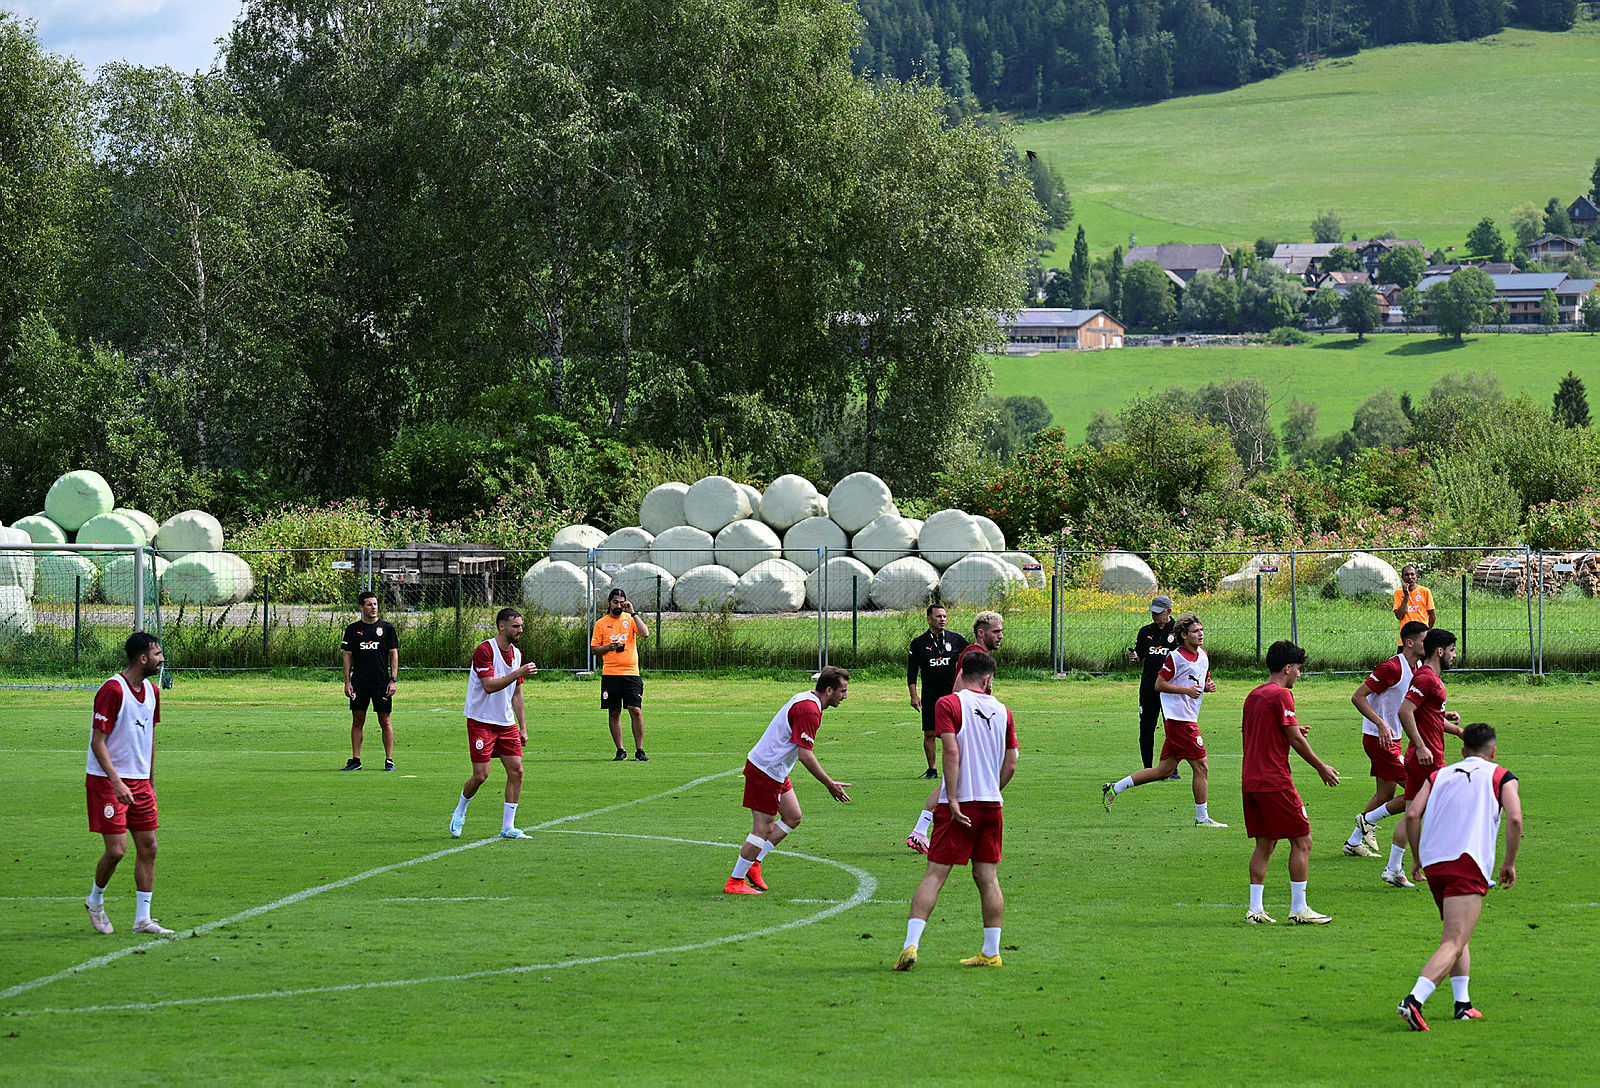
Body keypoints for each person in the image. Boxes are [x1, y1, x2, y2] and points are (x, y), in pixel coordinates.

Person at [894, 650, 1018, 970]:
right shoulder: (1004, 710)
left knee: (934, 876)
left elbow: (950, 750)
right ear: (988, 679)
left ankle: (911, 945)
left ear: (961, 672)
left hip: (959, 806)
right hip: (992, 806)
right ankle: (991, 952)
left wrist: (951, 799)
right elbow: (1012, 762)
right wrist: (993, 789)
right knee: (988, 878)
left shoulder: (948, 704)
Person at [1396, 722, 1522, 1030]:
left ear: (1462, 750)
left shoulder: (1438, 775)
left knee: (1457, 934)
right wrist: (1509, 863)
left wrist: (1416, 857)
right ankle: (1414, 1000)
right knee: (1454, 939)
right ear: (1493, 751)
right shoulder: (1501, 776)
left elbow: (1412, 814)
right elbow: (1515, 819)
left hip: (1436, 864)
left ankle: (1463, 1004)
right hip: (1468, 863)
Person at [723, 667, 853, 895]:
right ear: (829, 690)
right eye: (842, 691)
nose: (845, 696)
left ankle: (755, 862)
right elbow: (805, 754)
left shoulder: (810, 701)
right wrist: (830, 784)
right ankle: (735, 881)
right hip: (766, 770)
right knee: (762, 829)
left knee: (793, 817)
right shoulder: (809, 711)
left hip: (776, 769)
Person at [1240, 640, 1341, 925]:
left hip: (1251, 781)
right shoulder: (1281, 695)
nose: (1299, 674)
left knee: (1265, 843)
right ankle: (1299, 908)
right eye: (1298, 669)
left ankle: (1255, 909)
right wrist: (1321, 767)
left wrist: (1294, 729)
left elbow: (1270, 731)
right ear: (1287, 668)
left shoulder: (1254, 695)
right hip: (1275, 781)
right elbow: (1294, 739)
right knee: (1303, 841)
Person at [84, 632, 174, 936]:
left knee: (148, 847)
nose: (162, 659)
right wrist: (117, 782)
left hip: (139, 783)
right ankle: (95, 900)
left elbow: (148, 739)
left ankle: (142, 919)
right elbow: (98, 742)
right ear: (142, 658)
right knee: (117, 851)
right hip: (108, 782)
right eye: (158, 654)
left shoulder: (152, 692)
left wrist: (150, 781)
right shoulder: (112, 690)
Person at [1102, 613, 1225, 826]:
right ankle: (1202, 819)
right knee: (1202, 767)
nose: (1201, 634)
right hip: (1179, 720)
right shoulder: (1175, 657)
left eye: (1202, 630)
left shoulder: (1203, 655)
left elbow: (1202, 679)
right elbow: (1159, 684)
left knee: (1164, 771)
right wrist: (1186, 691)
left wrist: (1208, 686)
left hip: (1187, 718)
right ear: (1184, 635)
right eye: (1196, 631)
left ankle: (1114, 788)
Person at [907, 611, 1003, 853]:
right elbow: (961, 688)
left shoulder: (975, 652)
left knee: (952, 782)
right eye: (996, 631)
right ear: (981, 633)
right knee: (952, 782)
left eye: (1001, 631)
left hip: (967, 725)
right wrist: (968, 722)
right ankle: (924, 830)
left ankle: (922, 830)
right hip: (967, 727)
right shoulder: (975, 655)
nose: (1001, 636)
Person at [449, 608, 540, 839]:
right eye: (515, 626)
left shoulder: (517, 654)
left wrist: (523, 727)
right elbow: (489, 686)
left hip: (505, 722)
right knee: (481, 775)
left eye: (521, 626)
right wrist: (518, 671)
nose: (520, 630)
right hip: (481, 720)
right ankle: (460, 811)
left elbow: (516, 692)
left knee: (517, 771)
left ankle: (508, 827)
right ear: (502, 626)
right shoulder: (485, 650)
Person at [1343, 621, 1429, 860]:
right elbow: (1358, 697)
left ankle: (1354, 841)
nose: (1428, 644)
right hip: (1380, 741)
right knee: (1418, 790)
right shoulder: (1391, 667)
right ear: (1409, 643)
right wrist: (1380, 723)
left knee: (1386, 793)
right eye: (1424, 639)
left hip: (1394, 739)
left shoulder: (1419, 666)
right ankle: (1368, 821)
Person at [1391, 628, 1465, 887]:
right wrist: (1422, 746)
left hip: (1420, 756)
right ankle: (1448, 865)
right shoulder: (1427, 679)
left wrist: (1456, 730)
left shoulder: (1429, 677)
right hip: (1428, 758)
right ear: (1440, 651)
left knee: (1412, 813)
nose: (1455, 656)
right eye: (1453, 650)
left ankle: (1393, 868)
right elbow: (1405, 711)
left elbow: (1427, 715)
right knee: (1451, 810)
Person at [340, 590, 399, 771]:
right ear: (361, 607)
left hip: (381, 683)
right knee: (358, 720)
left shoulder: (387, 629)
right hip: (359, 682)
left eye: (375, 604)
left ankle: (389, 760)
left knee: (385, 720)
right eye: (369, 604)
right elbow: (347, 656)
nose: (373, 608)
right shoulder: (352, 630)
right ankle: (356, 760)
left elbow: (393, 654)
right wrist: (347, 682)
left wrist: (393, 679)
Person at [908, 603, 968, 779]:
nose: (942, 619)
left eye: (944, 616)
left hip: (953, 694)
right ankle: (932, 769)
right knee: (930, 733)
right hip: (930, 694)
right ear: (929, 619)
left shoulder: (955, 639)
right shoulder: (919, 643)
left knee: (955, 732)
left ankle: (958, 766)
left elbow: (972, 656)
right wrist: (913, 695)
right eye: (938, 616)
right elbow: (912, 672)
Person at [591, 587, 650, 762]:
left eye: (621, 602)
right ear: (609, 603)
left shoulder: (630, 619)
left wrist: (633, 613)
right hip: (610, 674)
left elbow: (645, 634)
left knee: (635, 710)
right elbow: (594, 649)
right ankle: (620, 749)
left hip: (631, 674)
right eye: (615, 602)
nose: (618, 605)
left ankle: (639, 750)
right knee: (614, 711)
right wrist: (609, 647)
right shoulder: (601, 623)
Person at [1128, 595, 1180, 777]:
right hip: (1149, 688)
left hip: (1171, 689)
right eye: (1153, 612)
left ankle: (1172, 769)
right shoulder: (1145, 632)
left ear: (1169, 612)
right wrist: (1136, 657)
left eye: (1158, 613)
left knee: (1172, 728)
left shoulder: (1179, 632)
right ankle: (1148, 768)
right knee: (1147, 727)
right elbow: (1140, 655)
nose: (1154, 616)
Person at [1393, 565, 1436, 641]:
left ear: (1416, 576)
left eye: (1412, 574)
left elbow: (1432, 616)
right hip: (1405, 639)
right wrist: (1406, 596)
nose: (1410, 577)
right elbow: (1399, 616)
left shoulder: (1425, 592)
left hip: (1421, 638)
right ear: (1402, 577)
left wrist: (1427, 632)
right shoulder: (1398, 593)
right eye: (1406, 575)